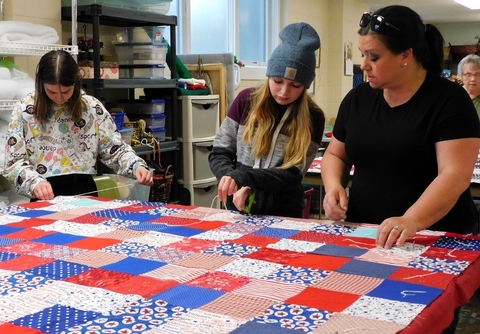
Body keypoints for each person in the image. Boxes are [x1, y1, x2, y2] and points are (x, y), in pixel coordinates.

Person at [321, 6, 480, 333]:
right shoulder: (358, 100)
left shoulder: (449, 101)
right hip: (369, 237)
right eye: (363, 54)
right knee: (357, 321)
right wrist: (333, 186)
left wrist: (413, 219)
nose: (364, 65)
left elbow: (454, 174)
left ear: (407, 54)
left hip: (432, 240)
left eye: (374, 57)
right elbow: (337, 154)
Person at [209, 22, 325, 218]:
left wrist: (246, 179)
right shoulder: (246, 101)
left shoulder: (313, 117)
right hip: (237, 209)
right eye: (277, 81)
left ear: (305, 86)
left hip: (285, 213)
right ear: (269, 75)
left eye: (295, 85)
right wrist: (232, 180)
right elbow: (219, 153)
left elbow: (292, 175)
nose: (283, 91)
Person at [3, 50, 153, 200]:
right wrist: (33, 183)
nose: (59, 98)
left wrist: (136, 165)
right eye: (51, 91)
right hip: (43, 193)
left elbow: (115, 149)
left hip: (84, 191)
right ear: (41, 84)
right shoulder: (26, 110)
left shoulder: (92, 107)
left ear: (76, 83)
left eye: (66, 91)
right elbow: (13, 163)